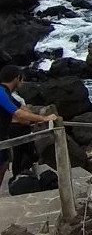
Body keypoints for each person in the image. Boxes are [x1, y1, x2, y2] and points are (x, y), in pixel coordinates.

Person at [0, 65, 60, 193]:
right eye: (21, 79)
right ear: (17, 78)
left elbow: (22, 109)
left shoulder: (7, 94)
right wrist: (44, 118)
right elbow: (19, 114)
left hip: (4, 136)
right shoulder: (1, 92)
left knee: (5, 163)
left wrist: (34, 118)